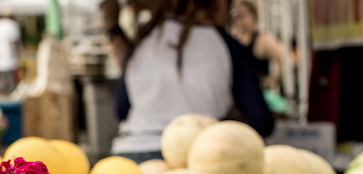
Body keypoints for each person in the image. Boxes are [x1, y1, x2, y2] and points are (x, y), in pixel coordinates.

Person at [102, 0, 274, 162]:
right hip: (198, 156)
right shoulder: (230, 47)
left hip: (131, 154)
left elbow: (122, 110)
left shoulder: (143, 41)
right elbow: (262, 122)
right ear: (217, 4)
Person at [230, 0, 284, 90]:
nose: (239, 20)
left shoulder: (262, 40)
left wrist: (271, 80)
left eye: (242, 16)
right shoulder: (233, 41)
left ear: (253, 16)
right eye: (236, 16)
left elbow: (286, 58)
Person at [0, 10, 21, 96]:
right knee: (10, 83)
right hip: (10, 58)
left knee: (0, 80)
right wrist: (18, 54)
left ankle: (1, 94)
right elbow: (15, 42)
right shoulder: (12, 25)